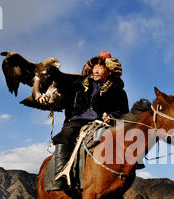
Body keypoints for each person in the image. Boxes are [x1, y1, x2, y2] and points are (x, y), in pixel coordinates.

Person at [50, 51, 129, 190]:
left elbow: (124, 112)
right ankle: (60, 175)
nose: (96, 70)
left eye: (101, 67)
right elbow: (59, 87)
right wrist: (53, 92)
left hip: (102, 123)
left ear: (109, 71)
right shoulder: (78, 83)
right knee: (66, 135)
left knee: (123, 139)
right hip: (76, 120)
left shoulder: (118, 91)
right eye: (95, 67)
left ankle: (118, 184)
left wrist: (111, 116)